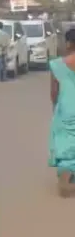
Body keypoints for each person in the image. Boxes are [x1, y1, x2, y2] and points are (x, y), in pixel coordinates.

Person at [48, 29, 75, 197]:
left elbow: (53, 93)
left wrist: (56, 110)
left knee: (66, 144)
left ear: (68, 43)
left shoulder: (57, 64)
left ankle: (65, 177)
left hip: (66, 108)